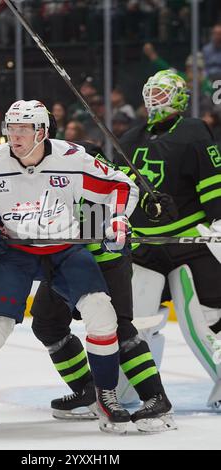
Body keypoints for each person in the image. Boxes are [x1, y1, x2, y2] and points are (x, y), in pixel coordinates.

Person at [0, 111, 177, 434]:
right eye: (10, 128)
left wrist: (119, 217)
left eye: (23, 129)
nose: (14, 136)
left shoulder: (72, 157)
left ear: (42, 132)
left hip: (65, 248)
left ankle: (106, 396)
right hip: (13, 252)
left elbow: (122, 183)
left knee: (105, 316)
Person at [114, 70, 221, 409]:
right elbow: (118, 191)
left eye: (161, 93)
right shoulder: (129, 138)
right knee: (137, 321)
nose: (153, 99)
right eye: (151, 92)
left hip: (187, 242)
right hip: (146, 246)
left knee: (202, 318)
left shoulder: (193, 131)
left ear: (178, 96)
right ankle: (132, 388)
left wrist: (218, 217)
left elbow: (212, 181)